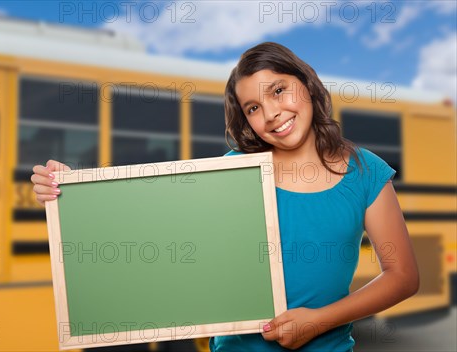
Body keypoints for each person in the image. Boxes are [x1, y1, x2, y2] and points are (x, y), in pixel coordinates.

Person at [30, 42, 419, 351]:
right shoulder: (234, 171)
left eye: (279, 90)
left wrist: (319, 321)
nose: (271, 114)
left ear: (307, 83)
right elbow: (154, 236)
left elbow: (402, 276)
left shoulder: (365, 171)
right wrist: (70, 195)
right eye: (253, 107)